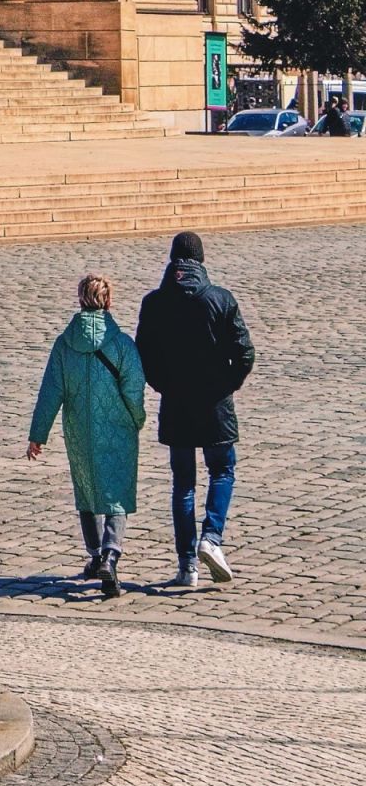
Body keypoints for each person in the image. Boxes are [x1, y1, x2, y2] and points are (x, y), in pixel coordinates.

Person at [134, 231, 255, 589]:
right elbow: (245, 353)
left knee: (183, 485)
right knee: (222, 471)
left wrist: (164, 386)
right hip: (215, 405)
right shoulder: (221, 299)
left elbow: (144, 356)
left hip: (177, 406)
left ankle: (187, 566)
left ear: (172, 262)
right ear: (200, 261)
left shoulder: (154, 303)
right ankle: (212, 538)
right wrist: (227, 384)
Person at [27, 274, 146, 597]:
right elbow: (134, 387)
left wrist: (38, 434)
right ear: (108, 301)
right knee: (116, 492)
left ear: (80, 300)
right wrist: (137, 418)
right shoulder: (121, 343)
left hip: (79, 429)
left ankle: (95, 555)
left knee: (87, 487)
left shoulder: (65, 344)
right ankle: (111, 553)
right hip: (118, 425)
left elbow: (51, 391)